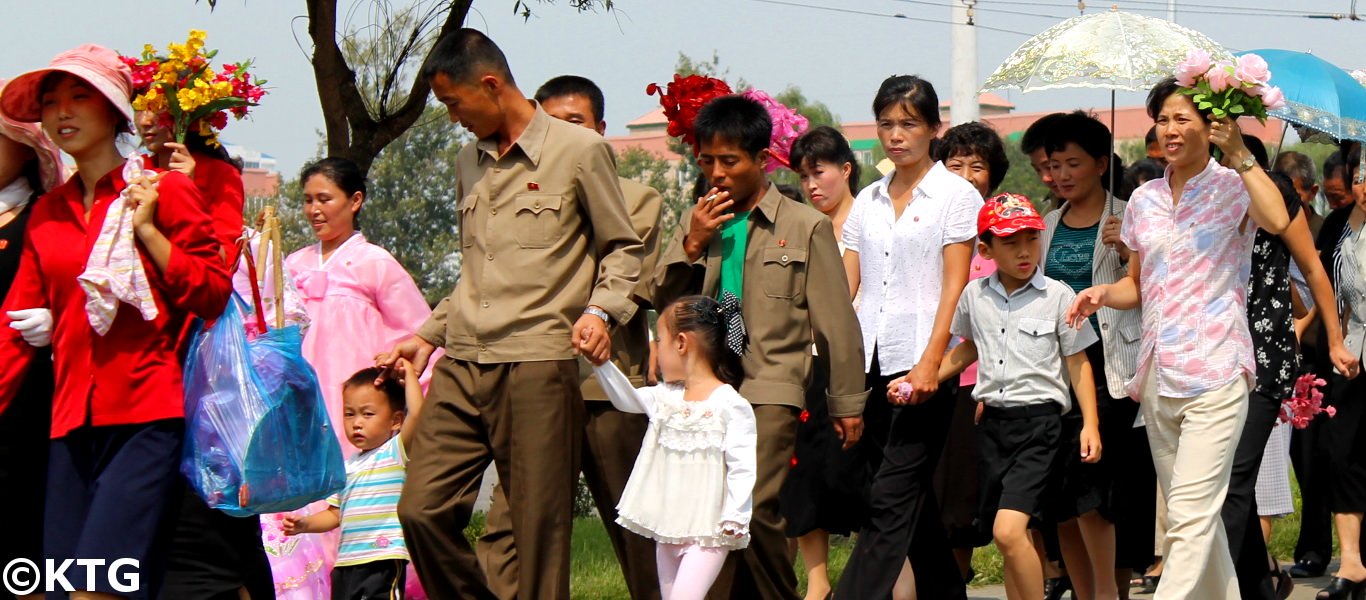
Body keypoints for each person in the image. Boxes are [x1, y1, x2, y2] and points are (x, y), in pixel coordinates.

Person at [382, 29, 643, 600]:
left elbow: (623, 249)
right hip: (463, 361)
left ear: (492, 84)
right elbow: (478, 269)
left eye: (454, 103)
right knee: (420, 509)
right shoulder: (467, 161)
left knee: (537, 532)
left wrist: (601, 311)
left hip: (538, 363)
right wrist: (427, 337)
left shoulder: (580, 151)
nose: (452, 118)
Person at [0, 44, 233, 598]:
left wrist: (149, 233)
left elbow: (213, 293)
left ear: (114, 110)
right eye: (51, 102)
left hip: (144, 418)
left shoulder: (164, 190)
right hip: (67, 428)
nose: (62, 112)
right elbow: (13, 332)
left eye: (80, 97)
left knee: (97, 587)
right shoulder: (47, 214)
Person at [1067, 76, 1295, 599]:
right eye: (1162, 120)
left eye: (1181, 119)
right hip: (1159, 375)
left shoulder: (1235, 184)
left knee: (1188, 518)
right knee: (1199, 522)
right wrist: (1102, 293)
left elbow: (1279, 218)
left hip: (1217, 370)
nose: (1169, 130)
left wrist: (1238, 151)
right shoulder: (1143, 200)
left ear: (1209, 124)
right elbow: (1137, 286)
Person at [650, 93, 866, 600]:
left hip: (772, 386)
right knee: (712, 515)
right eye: (707, 161)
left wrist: (847, 401)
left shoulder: (803, 225)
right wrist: (691, 244)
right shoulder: (698, 221)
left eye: (730, 161)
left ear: (761, 159)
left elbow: (837, 322)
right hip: (707, 389)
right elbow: (658, 298)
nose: (717, 173)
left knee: (753, 503)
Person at [476, 74, 664, 600]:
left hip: (604, 387)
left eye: (574, 123)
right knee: (511, 526)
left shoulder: (638, 199)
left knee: (634, 525)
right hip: (532, 381)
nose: (560, 133)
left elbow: (622, 274)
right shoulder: (508, 188)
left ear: (599, 131)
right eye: (551, 122)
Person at [837, 75, 982, 600]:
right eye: (886, 124)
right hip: (869, 361)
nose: (896, 135)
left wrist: (931, 361)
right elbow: (845, 285)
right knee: (908, 499)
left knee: (889, 500)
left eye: (908, 124)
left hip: (922, 365)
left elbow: (954, 285)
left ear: (932, 129)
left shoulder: (956, 195)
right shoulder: (867, 199)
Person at [928, 193, 1102, 600]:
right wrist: (925, 378)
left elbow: (1078, 363)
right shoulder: (974, 295)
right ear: (985, 249)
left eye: (1031, 239)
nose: (1024, 252)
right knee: (1006, 535)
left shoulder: (1058, 296)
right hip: (991, 426)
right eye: (1011, 242)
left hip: (1040, 427)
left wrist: (1090, 425)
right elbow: (969, 347)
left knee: (1009, 529)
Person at [1224, 165, 1358, 600]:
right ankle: (1259, 586)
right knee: (1223, 482)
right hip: (1211, 354)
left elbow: (1313, 271)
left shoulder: (1277, 192)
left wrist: (1333, 338)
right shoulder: (1192, 190)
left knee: (1235, 478)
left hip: (1265, 353)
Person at [588, 295, 758, 600]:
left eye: (660, 341)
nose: (657, 352)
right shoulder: (665, 398)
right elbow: (626, 399)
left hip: (709, 533)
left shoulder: (730, 405)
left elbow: (742, 467)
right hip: (668, 528)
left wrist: (736, 515)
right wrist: (602, 366)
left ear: (682, 343)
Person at [1037, 110, 1142, 600]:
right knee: (1061, 497)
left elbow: (1149, 289)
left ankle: (1107, 592)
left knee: (1100, 495)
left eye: (1072, 163)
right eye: (1054, 165)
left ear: (1102, 163)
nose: (1060, 175)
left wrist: (1126, 251)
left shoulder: (1130, 216)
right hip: (1055, 371)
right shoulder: (1043, 227)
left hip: (1111, 370)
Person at [777, 125, 867, 600]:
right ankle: (815, 581)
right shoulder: (801, 225)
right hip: (805, 366)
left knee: (848, 480)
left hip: (856, 364)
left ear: (846, 169)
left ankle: (847, 578)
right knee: (802, 475)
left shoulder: (863, 222)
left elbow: (842, 299)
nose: (812, 184)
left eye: (820, 172)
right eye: (804, 175)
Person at [934, 120, 1010, 581]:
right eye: (954, 164)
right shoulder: (928, 226)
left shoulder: (1008, 231)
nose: (964, 174)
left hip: (980, 384)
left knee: (964, 503)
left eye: (975, 166)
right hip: (928, 374)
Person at [282, 361, 426, 600]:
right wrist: (305, 525)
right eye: (349, 414)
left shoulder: (395, 452)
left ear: (396, 421)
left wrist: (409, 375)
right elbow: (334, 514)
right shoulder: (347, 467)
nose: (357, 423)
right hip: (346, 563)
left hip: (382, 558)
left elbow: (418, 415)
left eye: (368, 414)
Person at [0, 87, 62, 600]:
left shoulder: (46, 216)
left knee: (22, 538)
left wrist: (57, 319)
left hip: (25, 394)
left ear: (25, 147)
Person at [1315, 141, 1366, 600]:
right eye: (1358, 178)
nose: (1362, 187)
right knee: (1340, 452)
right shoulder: (1336, 225)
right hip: (1351, 354)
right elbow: (1323, 288)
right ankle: (1351, 562)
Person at [135, 111, 244, 263]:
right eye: (139, 109)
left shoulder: (221, 176)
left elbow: (223, 261)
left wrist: (186, 195)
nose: (145, 121)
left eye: (157, 109)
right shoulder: (133, 170)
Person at [1021, 112, 1066, 214]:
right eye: (1038, 170)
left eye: (1050, 166)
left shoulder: (1108, 209)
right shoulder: (1049, 215)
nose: (1045, 178)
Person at [1274, 151, 1325, 238]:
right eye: (1277, 196)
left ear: (1313, 192)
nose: (1284, 204)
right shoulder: (1262, 226)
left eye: (1292, 197)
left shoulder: (1325, 233)